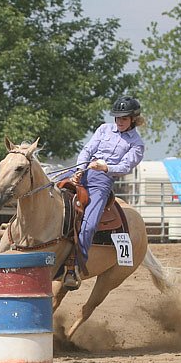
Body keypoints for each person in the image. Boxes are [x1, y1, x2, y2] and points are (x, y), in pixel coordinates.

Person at [59, 95, 146, 289]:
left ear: (133, 119)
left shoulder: (137, 144)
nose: (120, 121)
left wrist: (105, 167)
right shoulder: (104, 129)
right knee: (49, 186)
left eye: (124, 118)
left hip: (102, 180)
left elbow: (125, 166)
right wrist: (80, 167)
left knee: (89, 225)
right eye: (117, 117)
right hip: (83, 170)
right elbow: (87, 149)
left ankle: (75, 267)